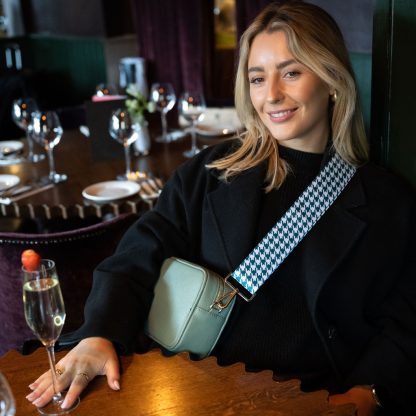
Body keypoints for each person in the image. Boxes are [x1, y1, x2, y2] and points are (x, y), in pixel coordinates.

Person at [26, 2, 415, 415]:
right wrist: (98, 334)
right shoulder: (210, 172)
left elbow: (407, 319)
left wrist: (366, 393)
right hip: (196, 386)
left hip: (310, 400)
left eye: (291, 72)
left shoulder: (388, 201)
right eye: (257, 78)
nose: (272, 96)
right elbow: (138, 254)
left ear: (332, 80)